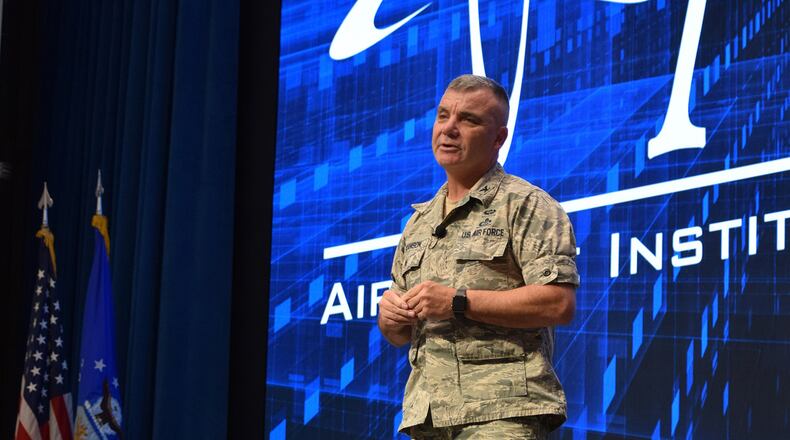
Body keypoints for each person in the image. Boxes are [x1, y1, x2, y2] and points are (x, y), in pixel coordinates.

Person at [377, 74, 580, 439]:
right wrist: (392, 320)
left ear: (499, 138)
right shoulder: (418, 224)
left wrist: (458, 301)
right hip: (427, 420)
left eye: (468, 120)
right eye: (443, 116)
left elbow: (557, 304)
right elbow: (401, 335)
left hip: (501, 414)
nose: (449, 129)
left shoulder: (527, 205)